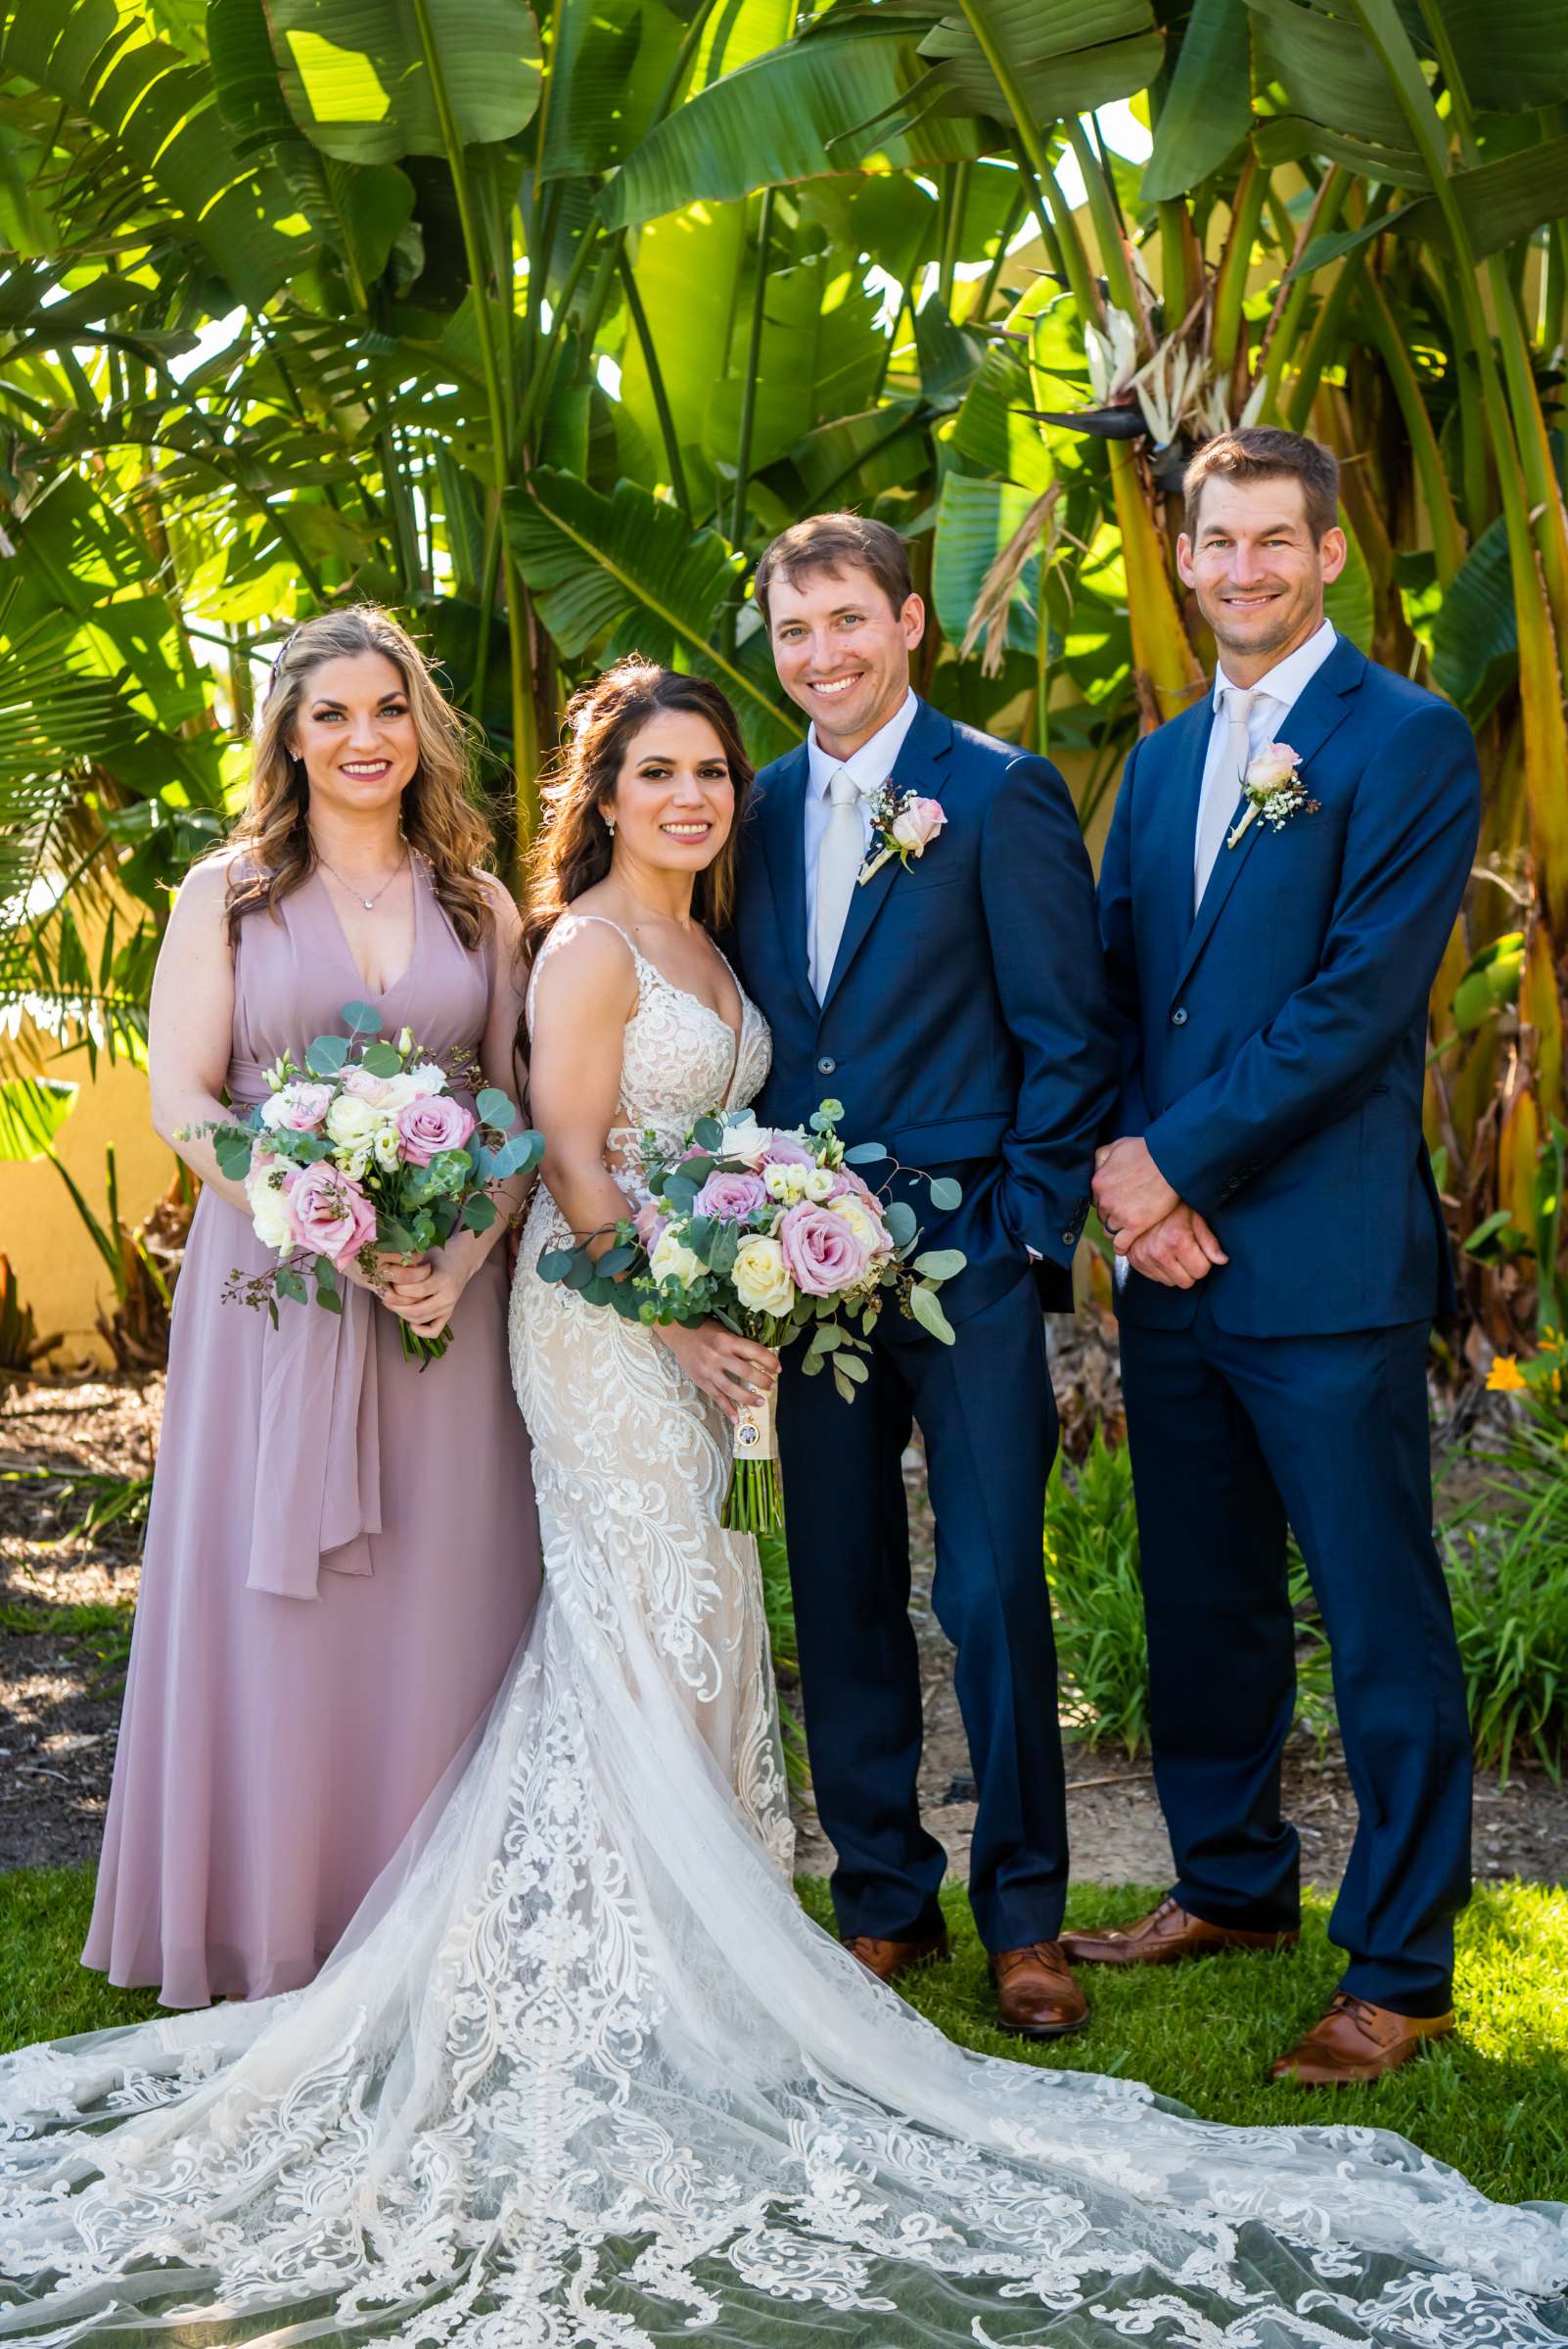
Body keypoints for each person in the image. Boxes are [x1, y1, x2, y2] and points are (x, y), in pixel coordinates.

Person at [2, 660, 1563, 2349]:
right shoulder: (583, 943)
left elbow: (592, 1133)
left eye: (708, 774)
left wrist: (749, 1259)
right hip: (607, 1337)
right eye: (656, 771)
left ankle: (706, 1933)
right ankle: (641, 1958)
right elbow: (573, 1146)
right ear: (602, 794)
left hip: (694, 1329)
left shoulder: (710, 936)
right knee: (648, 1604)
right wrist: (670, 1306)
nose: (689, 796)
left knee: (691, 1611)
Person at [1080, 426, 1480, 2086]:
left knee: (1378, 1618)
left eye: (1271, 542)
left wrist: (1166, 1159)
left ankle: (1397, 1963)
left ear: (1327, 556)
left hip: (1321, 1260)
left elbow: (1353, 1007)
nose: (1238, 568)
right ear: (1178, 559)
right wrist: (1134, 1195)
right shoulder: (1165, 763)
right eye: (1212, 542)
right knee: (1204, 1600)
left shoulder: (1405, 739)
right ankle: (1231, 1886)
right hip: (1170, 1267)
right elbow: (1110, 987)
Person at [81, 605, 541, 2007]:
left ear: (422, 729)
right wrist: (311, 1206)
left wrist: (456, 1256)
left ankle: (440, 1927)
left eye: (387, 710)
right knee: (283, 1608)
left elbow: (513, 1106)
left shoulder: (480, 901)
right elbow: (182, 1100)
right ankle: (271, 1922)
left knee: (444, 1599)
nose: (362, 739)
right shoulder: (227, 894)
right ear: (287, 731)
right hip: (272, 1292)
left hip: (438, 1310)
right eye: (330, 712)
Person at [729, 512, 1118, 2037]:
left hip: (965, 1254)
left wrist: (1022, 1228)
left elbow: (1066, 1034)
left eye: (844, 621)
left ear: (907, 624)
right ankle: (882, 1897)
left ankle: (1024, 1914)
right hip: (798, 1266)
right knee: (836, 1584)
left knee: (991, 1584)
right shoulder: (749, 810)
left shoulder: (999, 793)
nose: (818, 654)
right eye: (792, 630)